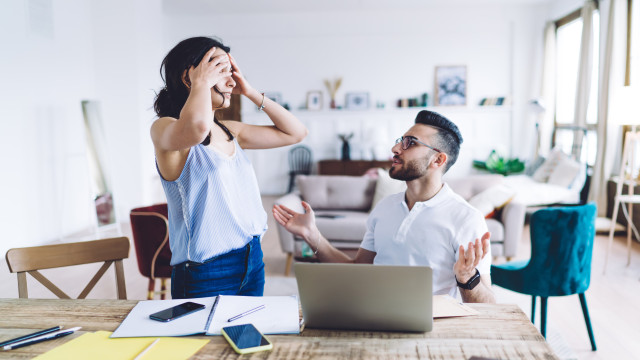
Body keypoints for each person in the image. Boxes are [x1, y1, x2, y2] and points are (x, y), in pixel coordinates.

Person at [273, 110, 495, 303]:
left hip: (433, 331)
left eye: (410, 142)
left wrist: (467, 279)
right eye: (401, 140)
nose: (395, 148)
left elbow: (488, 308)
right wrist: (312, 235)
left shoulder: (466, 219)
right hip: (374, 314)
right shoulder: (385, 208)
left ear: (437, 160)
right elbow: (358, 271)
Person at [151, 36, 308, 299]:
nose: (232, 81)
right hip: (205, 271)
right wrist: (200, 83)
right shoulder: (164, 128)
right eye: (222, 71)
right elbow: (197, 129)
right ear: (188, 77)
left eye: (232, 72)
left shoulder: (229, 130)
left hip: (252, 259)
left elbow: (296, 133)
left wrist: (250, 92)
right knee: (203, 343)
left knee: (245, 338)